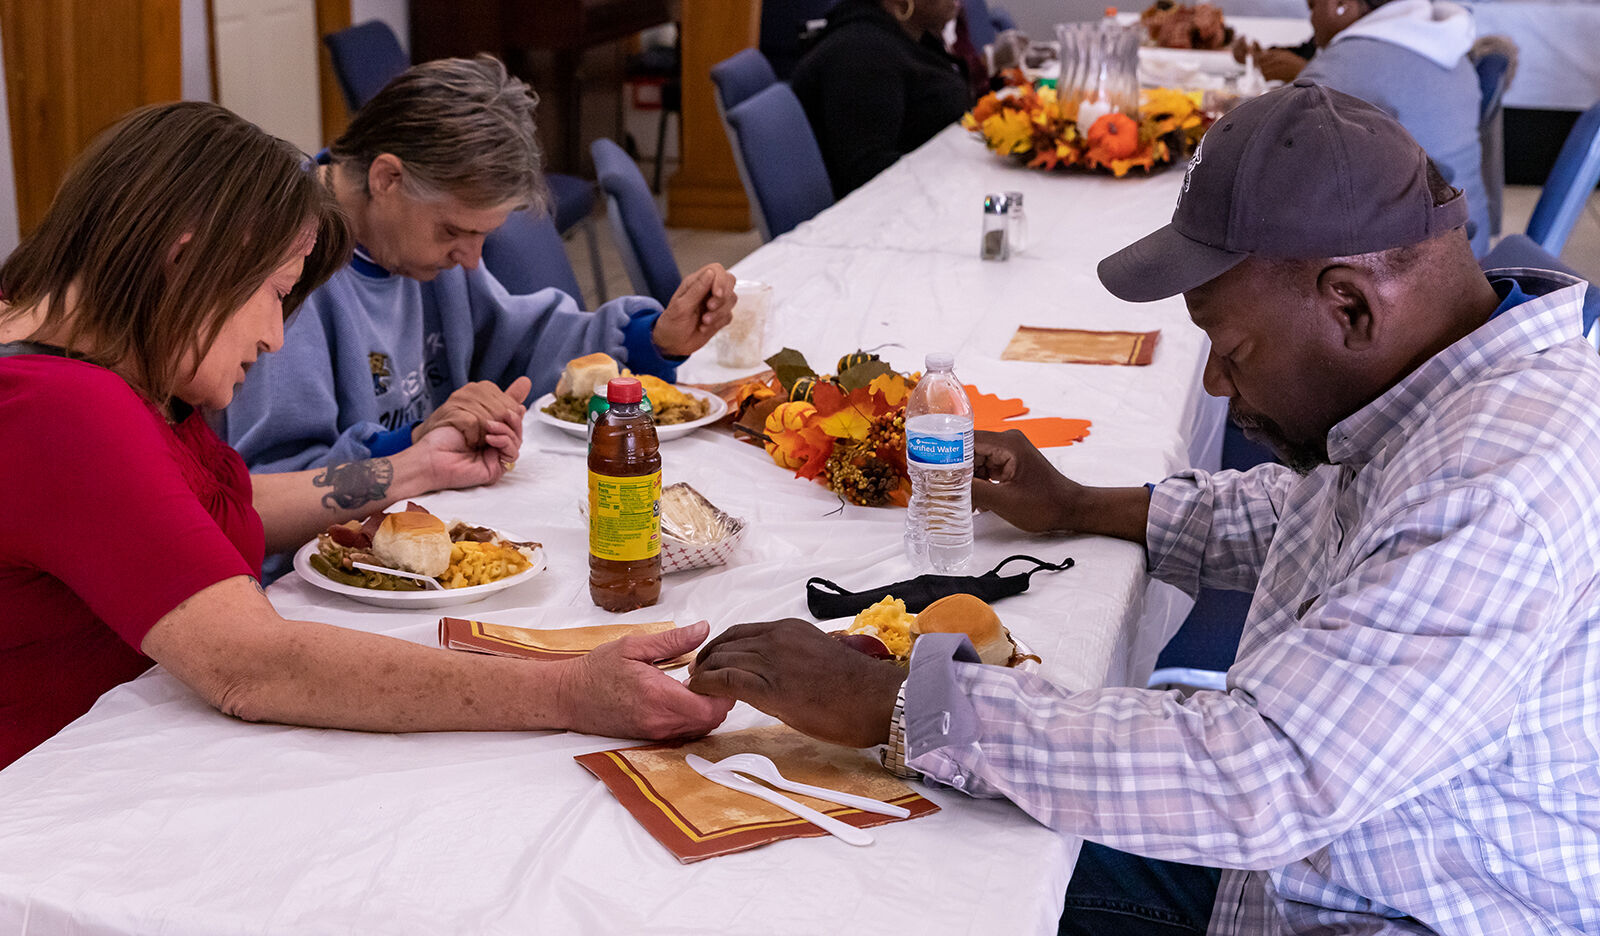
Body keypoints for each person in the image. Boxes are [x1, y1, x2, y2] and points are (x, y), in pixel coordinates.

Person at [687, 82, 1600, 933]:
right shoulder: (1438, 401)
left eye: (1229, 344)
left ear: (1352, 308)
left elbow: (1257, 774)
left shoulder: (1494, 488)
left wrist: (887, 698)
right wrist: (1078, 503)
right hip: (1325, 857)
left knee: (897, 889)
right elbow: (1311, 519)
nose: (1213, 378)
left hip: (1378, 905)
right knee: (926, 848)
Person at [0, 102, 731, 771]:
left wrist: (409, 472)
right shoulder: (66, 414)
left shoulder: (82, 355)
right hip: (58, 793)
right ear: (185, 260)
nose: (276, 338)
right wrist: (571, 692)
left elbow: (175, 511)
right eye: (275, 296)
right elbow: (255, 666)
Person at [220, 56, 735, 479]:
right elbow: (270, 484)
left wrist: (657, 338)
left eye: (483, 236)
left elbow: (518, 343)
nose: (470, 260)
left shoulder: (418, 246)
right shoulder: (284, 270)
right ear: (386, 178)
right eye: (453, 232)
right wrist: (417, 442)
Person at [1233, 0, 1489, 255]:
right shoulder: (1443, 45)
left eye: (1312, 7)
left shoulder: (1342, 64)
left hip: (1420, 257)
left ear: (1340, 4)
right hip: (1469, 242)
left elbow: (1274, 163)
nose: (1311, 20)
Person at [789, 0, 972, 198]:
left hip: (929, 190)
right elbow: (869, 172)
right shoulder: (862, 56)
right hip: (890, 212)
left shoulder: (907, 35)